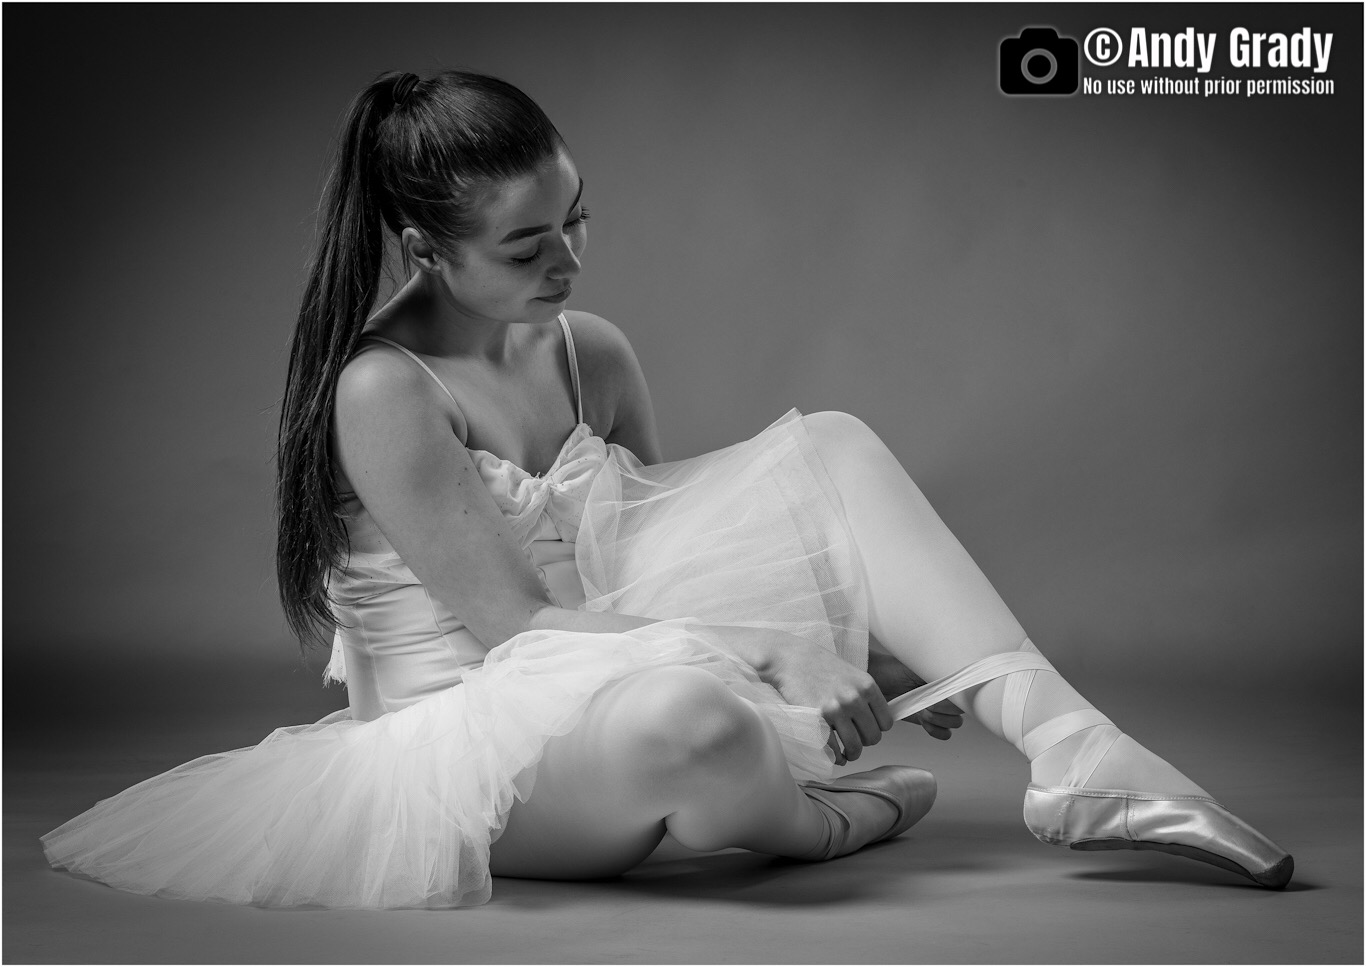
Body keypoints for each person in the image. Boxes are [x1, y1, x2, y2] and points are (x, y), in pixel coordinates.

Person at [41, 69, 1292, 909]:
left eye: (576, 220)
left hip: (616, 666)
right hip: (477, 750)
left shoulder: (589, 350)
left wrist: (859, 640)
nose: (568, 261)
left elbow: (649, 558)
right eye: (527, 245)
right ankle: (816, 818)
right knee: (691, 722)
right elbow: (517, 629)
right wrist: (776, 655)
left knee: (832, 443)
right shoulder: (383, 388)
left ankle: (1077, 754)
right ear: (424, 247)